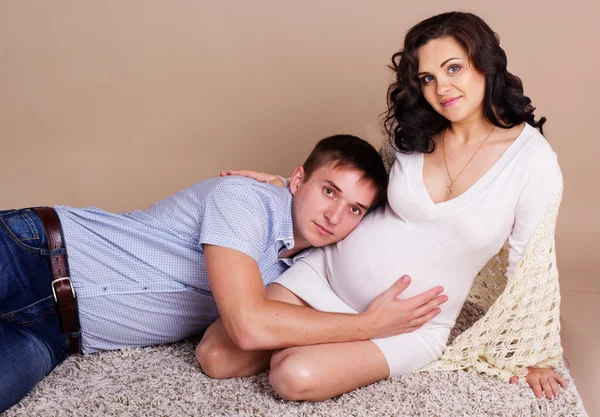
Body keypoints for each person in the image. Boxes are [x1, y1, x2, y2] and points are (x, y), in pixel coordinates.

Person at [199, 11, 568, 401]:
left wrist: (534, 352)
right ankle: (331, 331)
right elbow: (363, 189)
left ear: (485, 63)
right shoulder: (416, 135)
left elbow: (531, 262)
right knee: (216, 356)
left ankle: (326, 337)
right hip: (325, 274)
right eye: (428, 78)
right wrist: (289, 183)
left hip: (408, 324)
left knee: (294, 375)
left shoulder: (533, 161)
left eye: (454, 68)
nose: (442, 88)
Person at [0, 134, 449, 413]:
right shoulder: (244, 199)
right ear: (297, 180)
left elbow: (229, 352)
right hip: (34, 252)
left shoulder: (304, 273)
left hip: (54, 336)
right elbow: (249, 327)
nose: (334, 215)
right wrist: (369, 327)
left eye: (354, 208)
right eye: (329, 191)